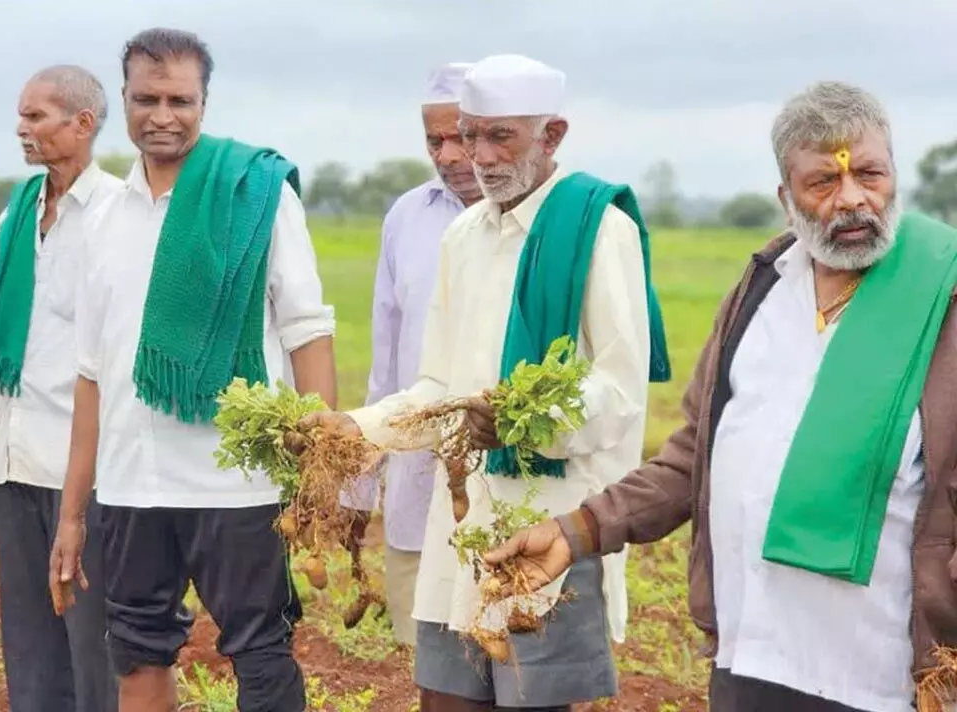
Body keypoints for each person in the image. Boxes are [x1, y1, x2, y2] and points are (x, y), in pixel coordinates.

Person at [484, 81, 957, 712]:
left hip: (879, 678)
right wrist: (581, 529)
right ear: (786, 200)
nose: (852, 200)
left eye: (870, 174)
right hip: (750, 656)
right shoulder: (763, 289)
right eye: (822, 183)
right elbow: (696, 456)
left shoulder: (940, 300)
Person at [294, 53, 670, 711]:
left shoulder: (599, 231)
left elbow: (619, 390)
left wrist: (528, 422)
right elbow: (439, 384)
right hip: (461, 523)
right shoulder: (464, 236)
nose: (480, 155)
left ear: (551, 136)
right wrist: (358, 430)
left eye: (503, 137)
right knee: (443, 699)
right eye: (470, 135)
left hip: (550, 528)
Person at [48, 27, 337, 712]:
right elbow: (91, 371)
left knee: (261, 649)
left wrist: (322, 463)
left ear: (204, 102)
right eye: (146, 99)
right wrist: (72, 514)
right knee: (137, 649)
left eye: (181, 99)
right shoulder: (102, 218)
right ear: (123, 101)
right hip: (130, 481)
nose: (163, 115)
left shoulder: (257, 195)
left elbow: (307, 329)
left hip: (235, 481)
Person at [0, 65, 123, 712]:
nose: (22, 129)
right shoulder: (22, 207)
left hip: (86, 468)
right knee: (27, 640)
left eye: (37, 117)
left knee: (93, 640)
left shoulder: (116, 213)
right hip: (17, 460)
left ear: (82, 125)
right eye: (21, 116)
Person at [341, 61, 484, 648]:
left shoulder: (550, 222)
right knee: (423, 664)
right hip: (415, 484)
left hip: (503, 487)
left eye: (462, 137)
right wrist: (357, 486)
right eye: (435, 140)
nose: (448, 154)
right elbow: (387, 362)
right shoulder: (406, 217)